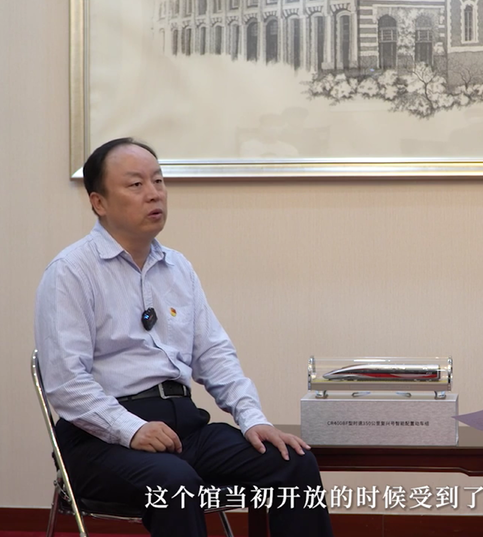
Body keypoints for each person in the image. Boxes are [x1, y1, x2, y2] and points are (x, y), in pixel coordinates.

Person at [34, 138, 334, 537]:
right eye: (136, 184)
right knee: (176, 484)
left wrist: (252, 419)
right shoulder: (71, 271)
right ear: (99, 202)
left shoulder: (177, 268)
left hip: (183, 429)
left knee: (291, 462)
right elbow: (66, 383)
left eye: (158, 181)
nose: (154, 193)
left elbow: (214, 355)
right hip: (100, 440)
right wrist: (131, 429)